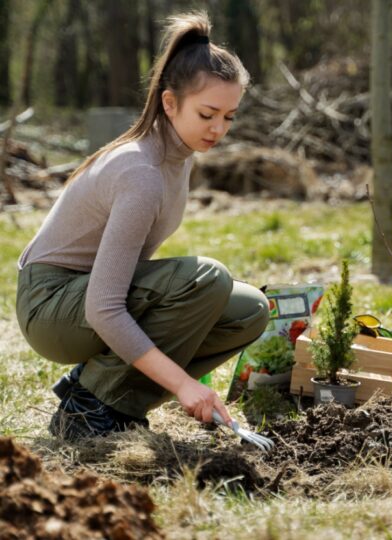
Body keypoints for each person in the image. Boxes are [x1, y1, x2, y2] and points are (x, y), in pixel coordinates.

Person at [15, 12, 269, 440]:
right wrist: (183, 384)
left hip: (83, 300)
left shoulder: (178, 156)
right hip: (51, 306)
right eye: (208, 113)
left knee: (248, 310)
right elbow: (104, 307)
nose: (219, 129)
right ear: (170, 103)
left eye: (229, 116)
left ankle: (105, 391)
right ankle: (88, 409)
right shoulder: (141, 173)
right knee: (206, 278)